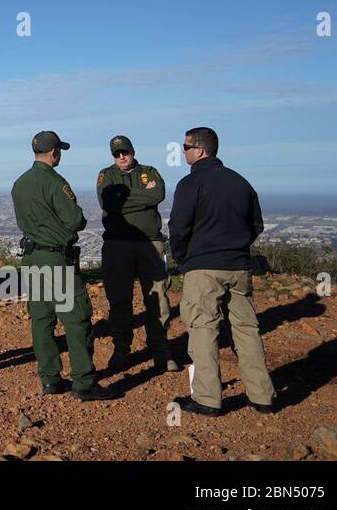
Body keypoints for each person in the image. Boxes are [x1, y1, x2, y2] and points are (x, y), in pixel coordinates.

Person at [168, 126, 276, 416]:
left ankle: (207, 398)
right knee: (247, 330)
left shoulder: (191, 184)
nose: (183, 151)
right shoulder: (241, 182)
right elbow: (256, 225)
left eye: (186, 147)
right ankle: (262, 395)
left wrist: (183, 259)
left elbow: (178, 228)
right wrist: (236, 248)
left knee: (203, 328)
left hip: (203, 268)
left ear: (200, 150)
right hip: (239, 268)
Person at [12, 131, 119, 401]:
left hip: (33, 259)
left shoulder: (19, 183)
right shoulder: (55, 182)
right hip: (57, 259)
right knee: (76, 318)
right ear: (54, 152)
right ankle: (83, 381)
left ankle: (49, 378)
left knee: (42, 319)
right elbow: (74, 220)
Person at [97, 135, 176, 372]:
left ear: (132, 151)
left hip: (150, 243)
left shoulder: (150, 171)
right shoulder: (106, 175)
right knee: (119, 298)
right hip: (118, 244)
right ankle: (121, 348)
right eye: (116, 154)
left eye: (125, 152)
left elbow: (158, 194)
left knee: (158, 297)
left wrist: (124, 198)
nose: (121, 157)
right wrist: (142, 196)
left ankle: (161, 350)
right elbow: (108, 203)